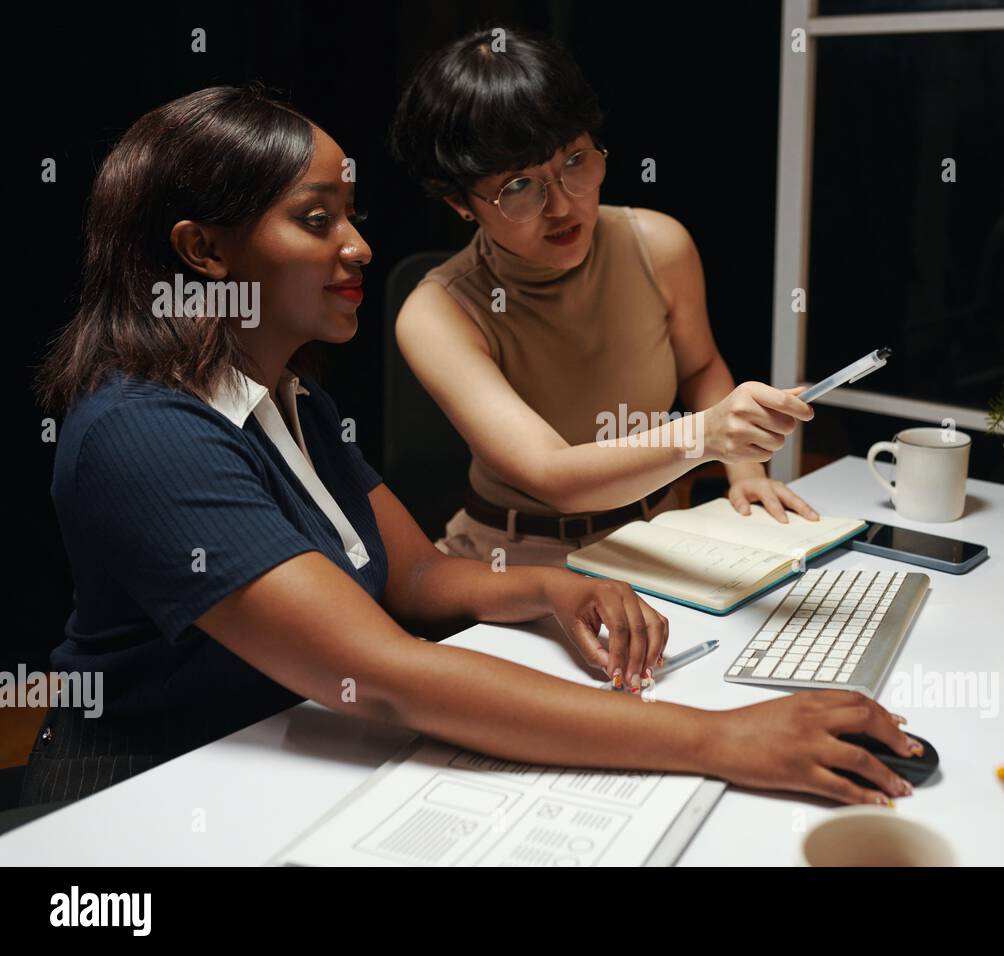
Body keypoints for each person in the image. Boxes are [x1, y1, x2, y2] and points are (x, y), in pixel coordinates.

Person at [25, 86, 920, 809]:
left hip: (288, 752)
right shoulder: (142, 432)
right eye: (316, 220)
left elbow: (412, 581)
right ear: (203, 252)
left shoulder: (290, 395)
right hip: (151, 796)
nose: (360, 246)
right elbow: (380, 675)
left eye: (352, 215)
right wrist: (720, 738)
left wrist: (550, 588)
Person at [389, 27, 820, 568]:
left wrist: (747, 473)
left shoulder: (658, 245)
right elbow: (553, 476)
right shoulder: (438, 312)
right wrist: (708, 435)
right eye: (519, 188)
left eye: (575, 162)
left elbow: (701, 366)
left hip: (662, 535)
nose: (563, 207)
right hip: (516, 557)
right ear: (460, 203)